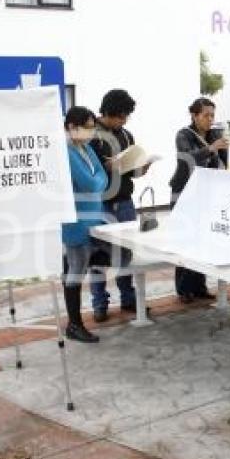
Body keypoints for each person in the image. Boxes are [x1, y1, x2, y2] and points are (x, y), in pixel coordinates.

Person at [87, 89, 150, 322]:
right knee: (98, 255)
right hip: (100, 203)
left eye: (127, 116)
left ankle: (128, 298)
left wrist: (142, 168)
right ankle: (99, 304)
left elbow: (131, 171)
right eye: (122, 116)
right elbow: (86, 171)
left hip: (124, 201)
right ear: (109, 112)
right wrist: (106, 167)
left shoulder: (126, 135)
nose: (125, 121)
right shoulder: (90, 135)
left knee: (126, 252)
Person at [168, 97, 228, 302]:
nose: (210, 119)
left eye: (212, 115)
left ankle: (199, 286)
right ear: (194, 115)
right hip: (184, 192)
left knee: (203, 241)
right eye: (206, 115)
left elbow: (222, 163)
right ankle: (183, 289)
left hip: (206, 194)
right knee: (185, 241)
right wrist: (211, 148)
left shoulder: (215, 134)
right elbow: (187, 158)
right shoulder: (183, 134)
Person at [61, 106, 108, 343]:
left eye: (93, 128)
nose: (92, 132)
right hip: (76, 221)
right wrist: (97, 181)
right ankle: (74, 324)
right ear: (72, 127)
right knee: (76, 271)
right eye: (88, 128)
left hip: (94, 217)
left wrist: (96, 181)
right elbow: (91, 184)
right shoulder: (66, 151)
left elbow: (103, 179)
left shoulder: (87, 149)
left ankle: (76, 323)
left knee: (86, 265)